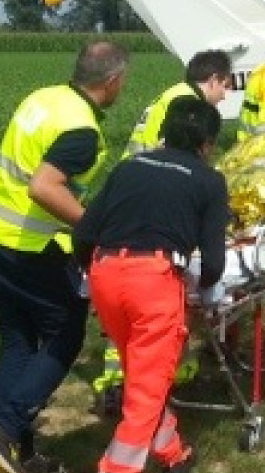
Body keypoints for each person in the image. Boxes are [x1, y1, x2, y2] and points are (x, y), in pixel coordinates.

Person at [0, 41, 130, 473]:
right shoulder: (82, 130)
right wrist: (93, 229)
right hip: (28, 244)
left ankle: (14, 449)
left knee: (18, 337)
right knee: (65, 331)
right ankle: (4, 430)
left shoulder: (43, 98)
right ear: (113, 80)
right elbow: (43, 187)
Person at [71, 97, 232, 473]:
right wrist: (199, 289)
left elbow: (84, 233)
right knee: (145, 391)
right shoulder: (209, 181)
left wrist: (94, 274)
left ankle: (173, 455)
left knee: (142, 374)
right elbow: (214, 264)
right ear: (207, 144)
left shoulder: (129, 168)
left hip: (106, 274)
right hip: (153, 282)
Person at [92, 49, 236, 412]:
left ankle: (132, 382)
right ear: (213, 80)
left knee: (127, 314)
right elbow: (175, 156)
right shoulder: (186, 105)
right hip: (152, 203)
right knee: (146, 307)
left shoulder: (172, 95)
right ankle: (132, 386)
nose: (225, 96)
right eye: (225, 87)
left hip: (133, 193)